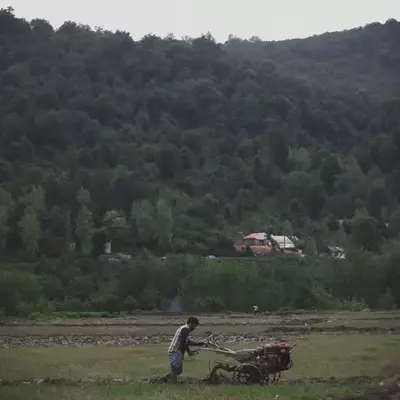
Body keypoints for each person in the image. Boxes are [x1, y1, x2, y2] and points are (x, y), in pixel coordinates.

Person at [161, 316, 205, 383]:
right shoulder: (185, 329)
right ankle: (174, 384)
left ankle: (163, 379)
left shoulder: (184, 329)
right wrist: (189, 352)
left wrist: (200, 343)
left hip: (177, 351)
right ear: (191, 323)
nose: (194, 328)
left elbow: (188, 342)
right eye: (194, 326)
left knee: (179, 371)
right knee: (175, 369)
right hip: (175, 351)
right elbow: (183, 342)